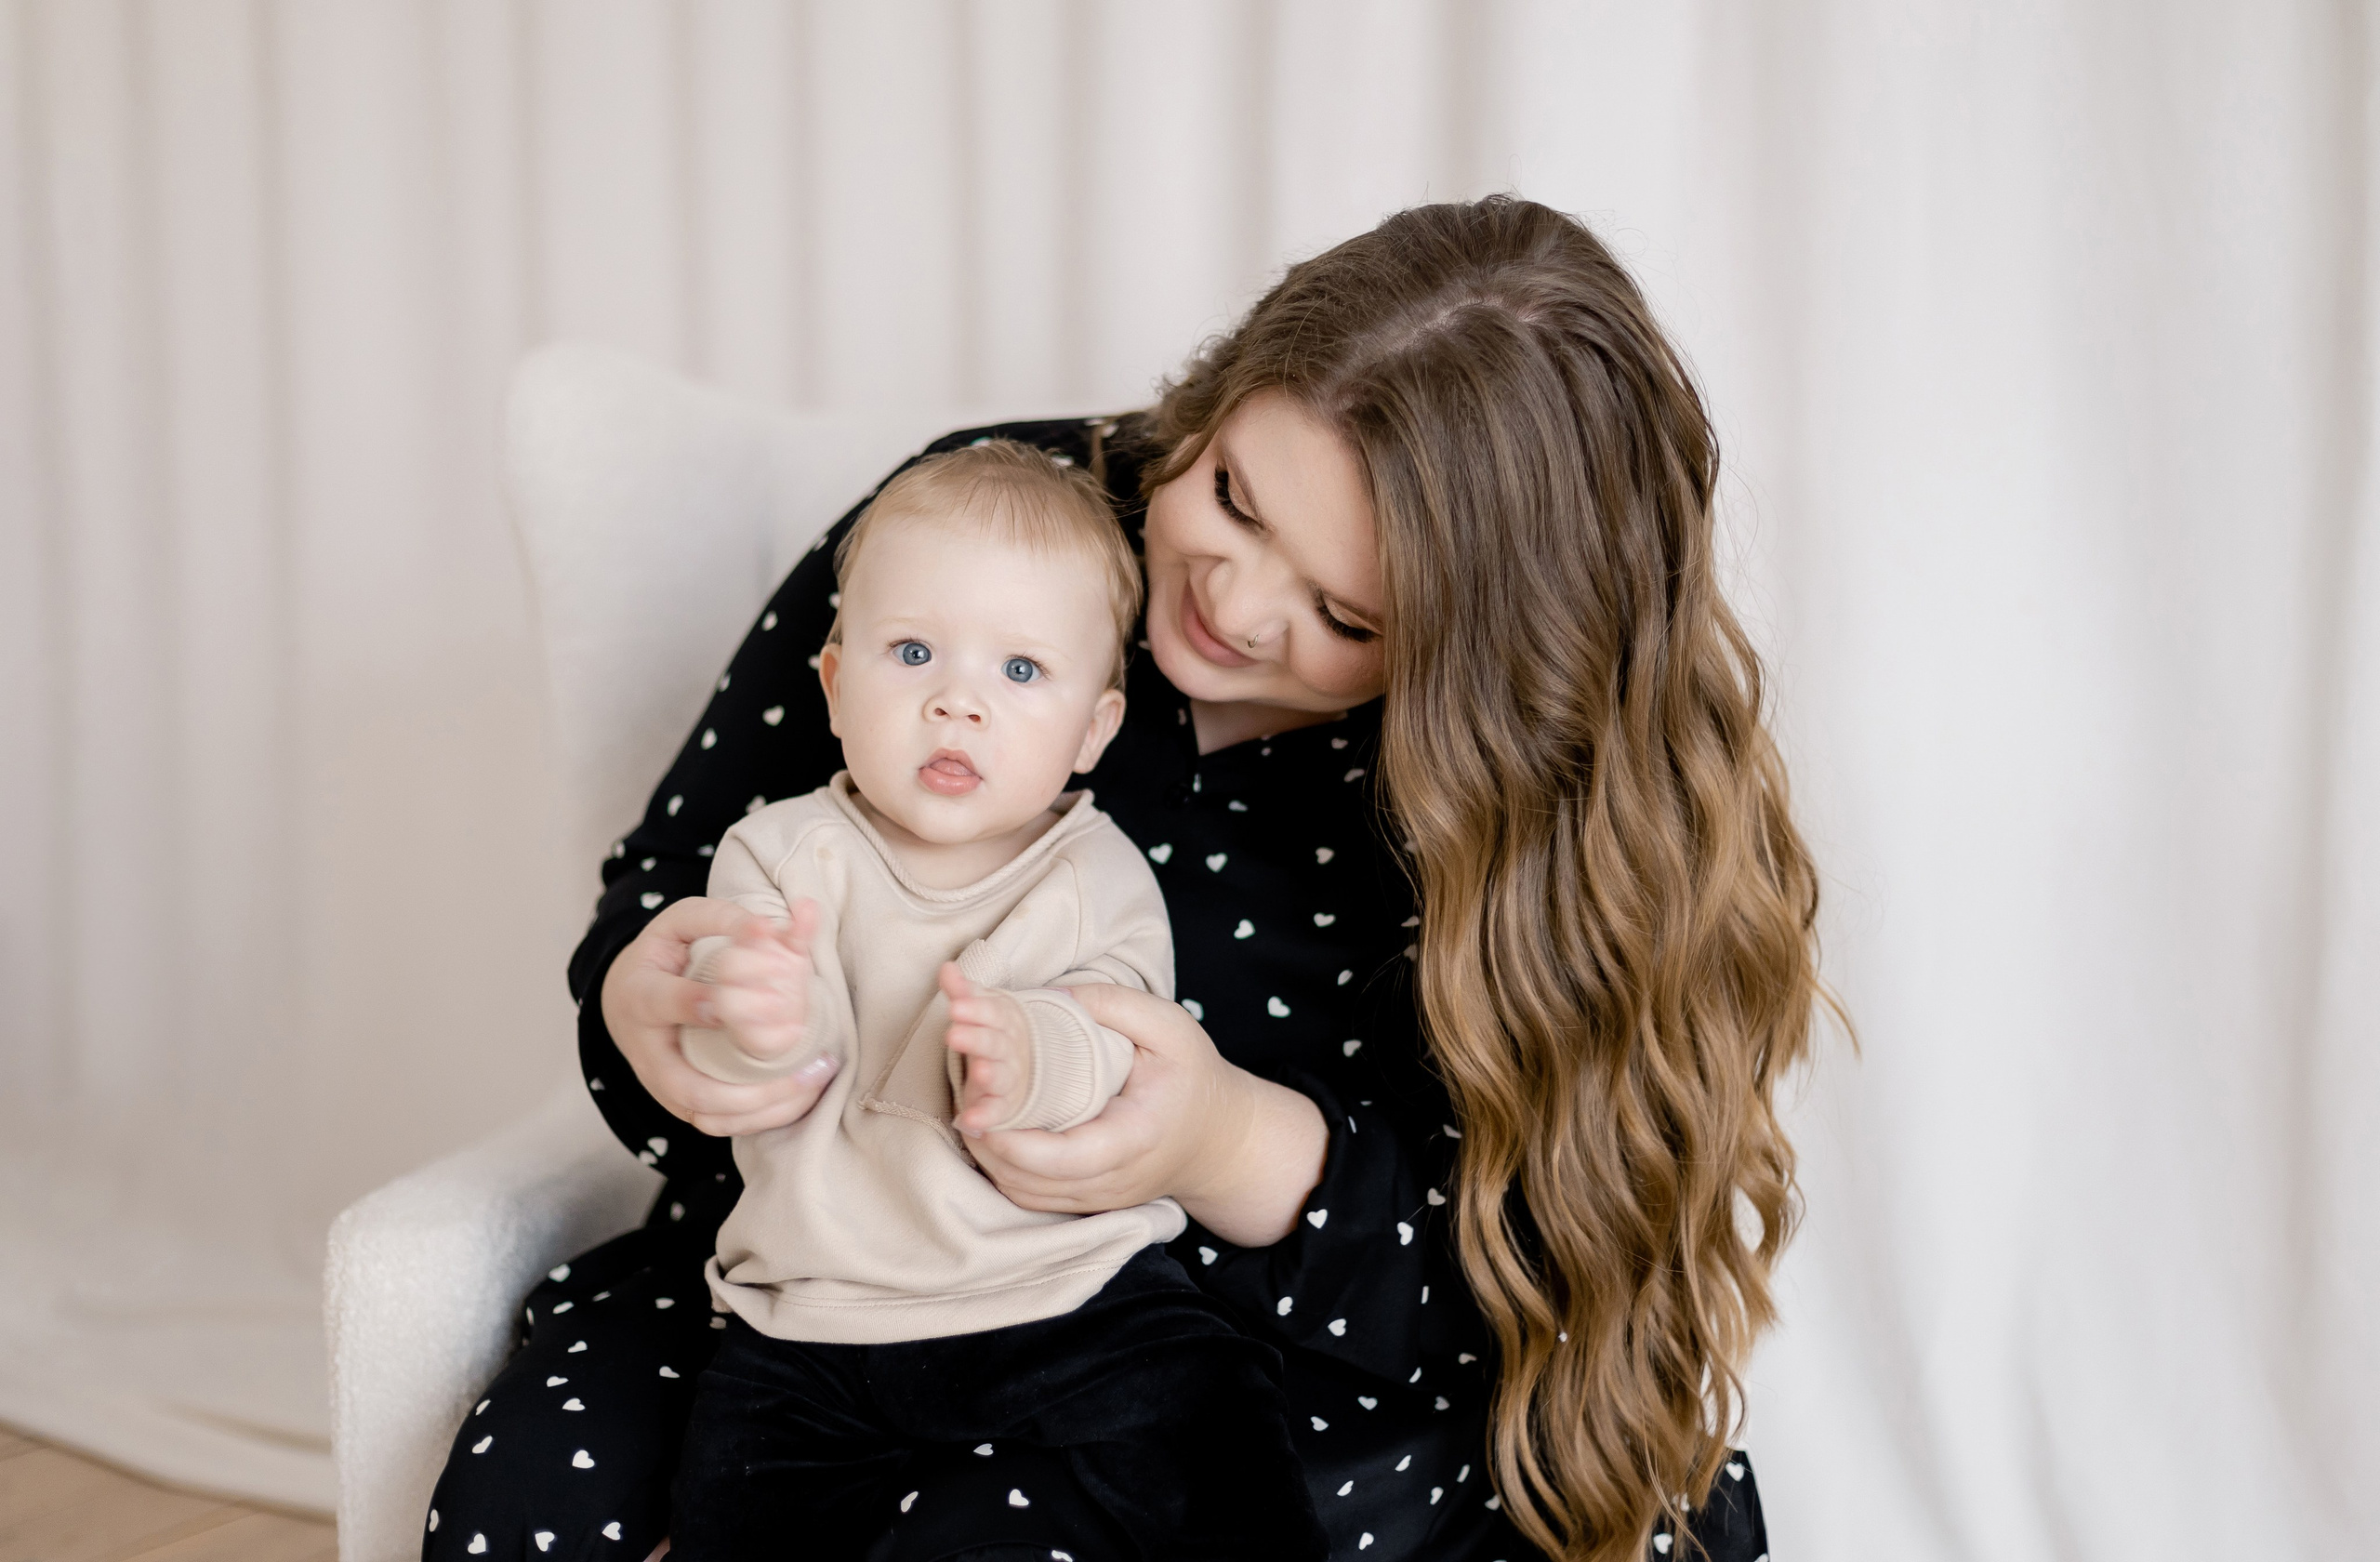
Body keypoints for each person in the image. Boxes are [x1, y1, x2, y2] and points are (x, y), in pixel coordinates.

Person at [424, 195, 1821, 1562]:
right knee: (528, 1510)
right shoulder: (989, 532)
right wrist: (665, 1011)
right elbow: (674, 878)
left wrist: (1219, 1144)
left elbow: (1537, 1268)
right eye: (1231, 496)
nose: (1234, 600)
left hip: (1263, 1355)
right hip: (824, 1274)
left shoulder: (1544, 789)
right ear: (1217, 395)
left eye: (1345, 617)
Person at [665, 438, 1324, 1561]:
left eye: (1019, 673)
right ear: (832, 684)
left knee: (1220, 1415)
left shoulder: (1095, 870)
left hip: (1067, 1295)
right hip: (819, 1313)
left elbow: (1121, 1033)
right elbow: (741, 1076)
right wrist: (750, 1022)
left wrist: (1037, 1053)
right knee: (734, 1508)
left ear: (1093, 731)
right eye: (912, 652)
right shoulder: (779, 855)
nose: (957, 705)